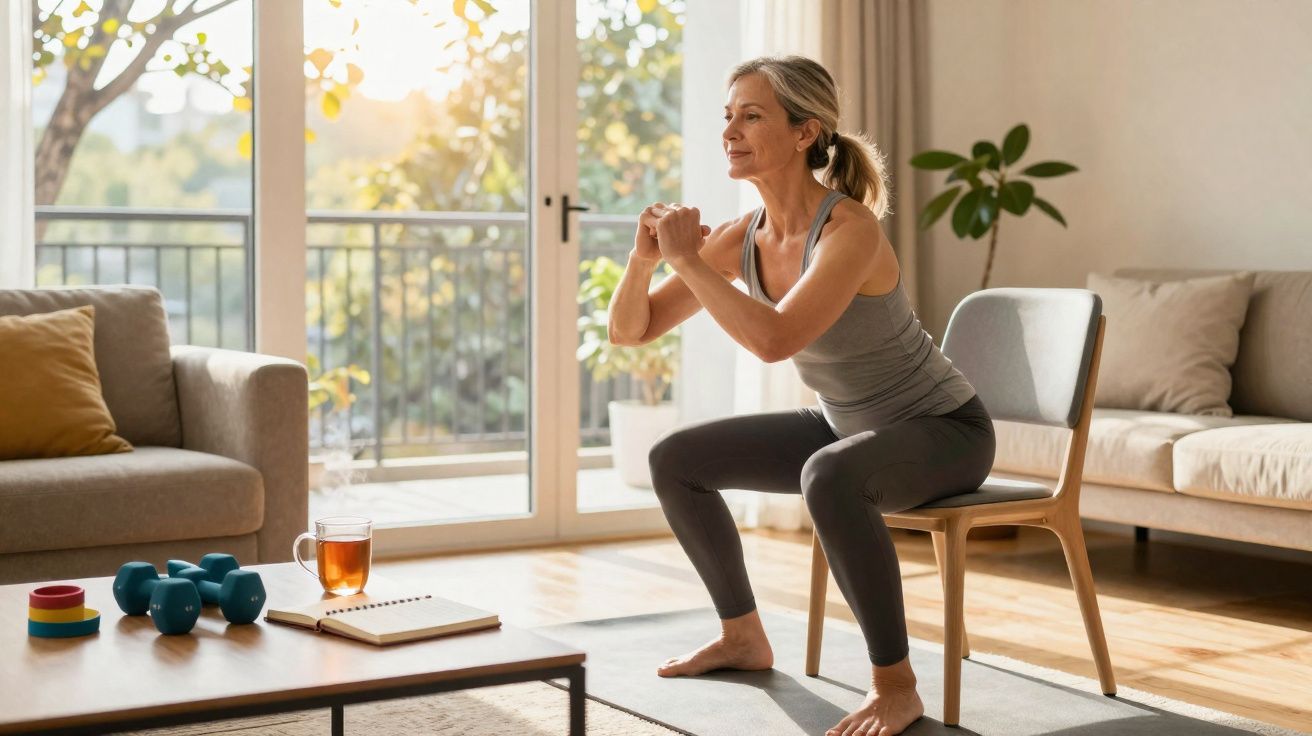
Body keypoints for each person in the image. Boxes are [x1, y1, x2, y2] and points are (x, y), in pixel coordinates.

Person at [606, 55, 996, 736]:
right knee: (676, 460)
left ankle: (896, 687)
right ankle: (742, 636)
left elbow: (775, 340)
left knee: (831, 475)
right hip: (846, 426)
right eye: (728, 115)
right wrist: (645, 260)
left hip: (946, 431)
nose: (731, 130)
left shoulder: (850, 230)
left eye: (752, 115)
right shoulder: (744, 236)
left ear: (804, 131)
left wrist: (688, 259)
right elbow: (630, 331)